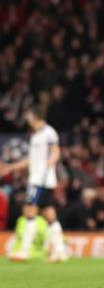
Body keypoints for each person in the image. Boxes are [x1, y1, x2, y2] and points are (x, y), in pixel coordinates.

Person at [0, 106, 68, 262]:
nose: (27, 118)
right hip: (41, 179)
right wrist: (10, 167)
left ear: (35, 116)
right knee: (49, 214)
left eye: (29, 115)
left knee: (29, 211)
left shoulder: (48, 132)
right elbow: (31, 160)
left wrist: (52, 160)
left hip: (40, 180)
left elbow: (56, 150)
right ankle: (60, 251)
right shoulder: (35, 136)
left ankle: (24, 251)